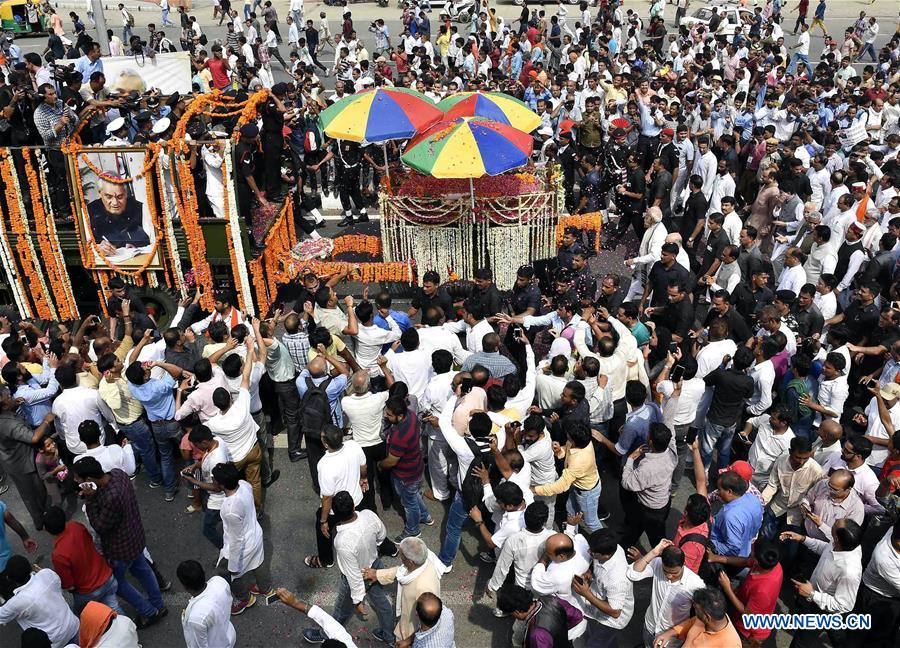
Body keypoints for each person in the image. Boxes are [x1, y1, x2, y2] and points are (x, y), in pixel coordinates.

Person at [72, 457, 167, 629]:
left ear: (89, 480)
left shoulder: (110, 498)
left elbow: (100, 526)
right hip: (135, 537)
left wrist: (90, 499)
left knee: (118, 583)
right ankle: (158, 604)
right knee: (143, 570)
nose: (75, 481)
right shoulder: (118, 474)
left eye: (78, 478)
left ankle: (149, 612)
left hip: (120, 548)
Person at [302, 490, 397, 644]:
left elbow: (353, 575)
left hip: (359, 576)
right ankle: (389, 635)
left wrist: (358, 601)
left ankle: (328, 634)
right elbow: (381, 535)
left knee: (341, 610)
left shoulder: (343, 541)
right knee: (383, 604)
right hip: (375, 566)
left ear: (336, 515)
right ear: (353, 506)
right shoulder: (369, 515)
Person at [213, 462, 273, 615]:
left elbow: (236, 540)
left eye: (214, 480)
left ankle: (244, 598)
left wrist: (233, 566)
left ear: (222, 485)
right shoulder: (244, 485)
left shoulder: (230, 509)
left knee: (227, 573)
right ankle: (265, 588)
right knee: (258, 563)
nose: (212, 481)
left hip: (243, 546)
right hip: (255, 536)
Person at [43, 506, 121, 615]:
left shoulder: (59, 554)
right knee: (115, 609)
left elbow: (68, 584)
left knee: (80, 618)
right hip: (108, 577)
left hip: (89, 592)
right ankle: (127, 628)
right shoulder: (76, 526)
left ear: (47, 530)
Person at [626, 540, 705, 647]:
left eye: (674, 573)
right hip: (650, 626)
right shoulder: (657, 563)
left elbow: (702, 616)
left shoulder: (695, 584)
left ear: (683, 565)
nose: (669, 576)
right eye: (665, 571)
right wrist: (654, 552)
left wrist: (675, 632)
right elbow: (633, 574)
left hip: (671, 638)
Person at [0, 555, 80, 647]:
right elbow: (56, 582)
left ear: (9, 579)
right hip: (74, 626)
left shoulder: (16, 603)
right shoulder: (47, 574)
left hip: (55, 643)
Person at [176, 560, 236, 648]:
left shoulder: (196, 617)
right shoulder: (219, 581)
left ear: (185, 587)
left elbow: (198, 645)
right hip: (230, 635)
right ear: (203, 573)